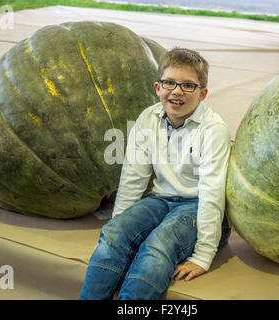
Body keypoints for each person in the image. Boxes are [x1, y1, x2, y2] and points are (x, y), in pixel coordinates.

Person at [79, 47, 231, 300]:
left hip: (197, 205)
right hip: (160, 199)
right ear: (158, 87)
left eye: (188, 86)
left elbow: (212, 193)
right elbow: (132, 178)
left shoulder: (214, 130)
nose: (177, 91)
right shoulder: (147, 119)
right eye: (169, 83)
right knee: (114, 235)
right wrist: (118, 231)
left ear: (202, 94)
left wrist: (203, 256)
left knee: (158, 244)